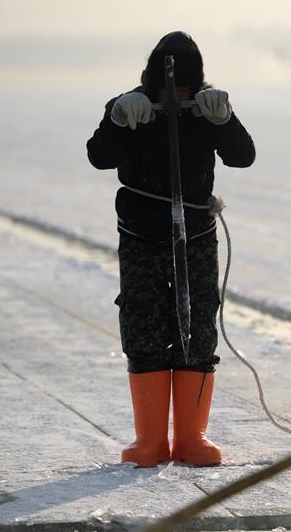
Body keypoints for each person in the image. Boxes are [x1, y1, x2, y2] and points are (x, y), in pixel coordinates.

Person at [87, 31, 255, 467]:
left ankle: (192, 437)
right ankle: (149, 441)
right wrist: (116, 120)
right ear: (151, 81)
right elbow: (100, 157)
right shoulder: (130, 107)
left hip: (196, 235)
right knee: (144, 324)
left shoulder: (206, 109)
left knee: (198, 323)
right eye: (168, 87)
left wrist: (226, 120)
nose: (176, 94)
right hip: (141, 234)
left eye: (184, 86)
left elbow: (242, 156)